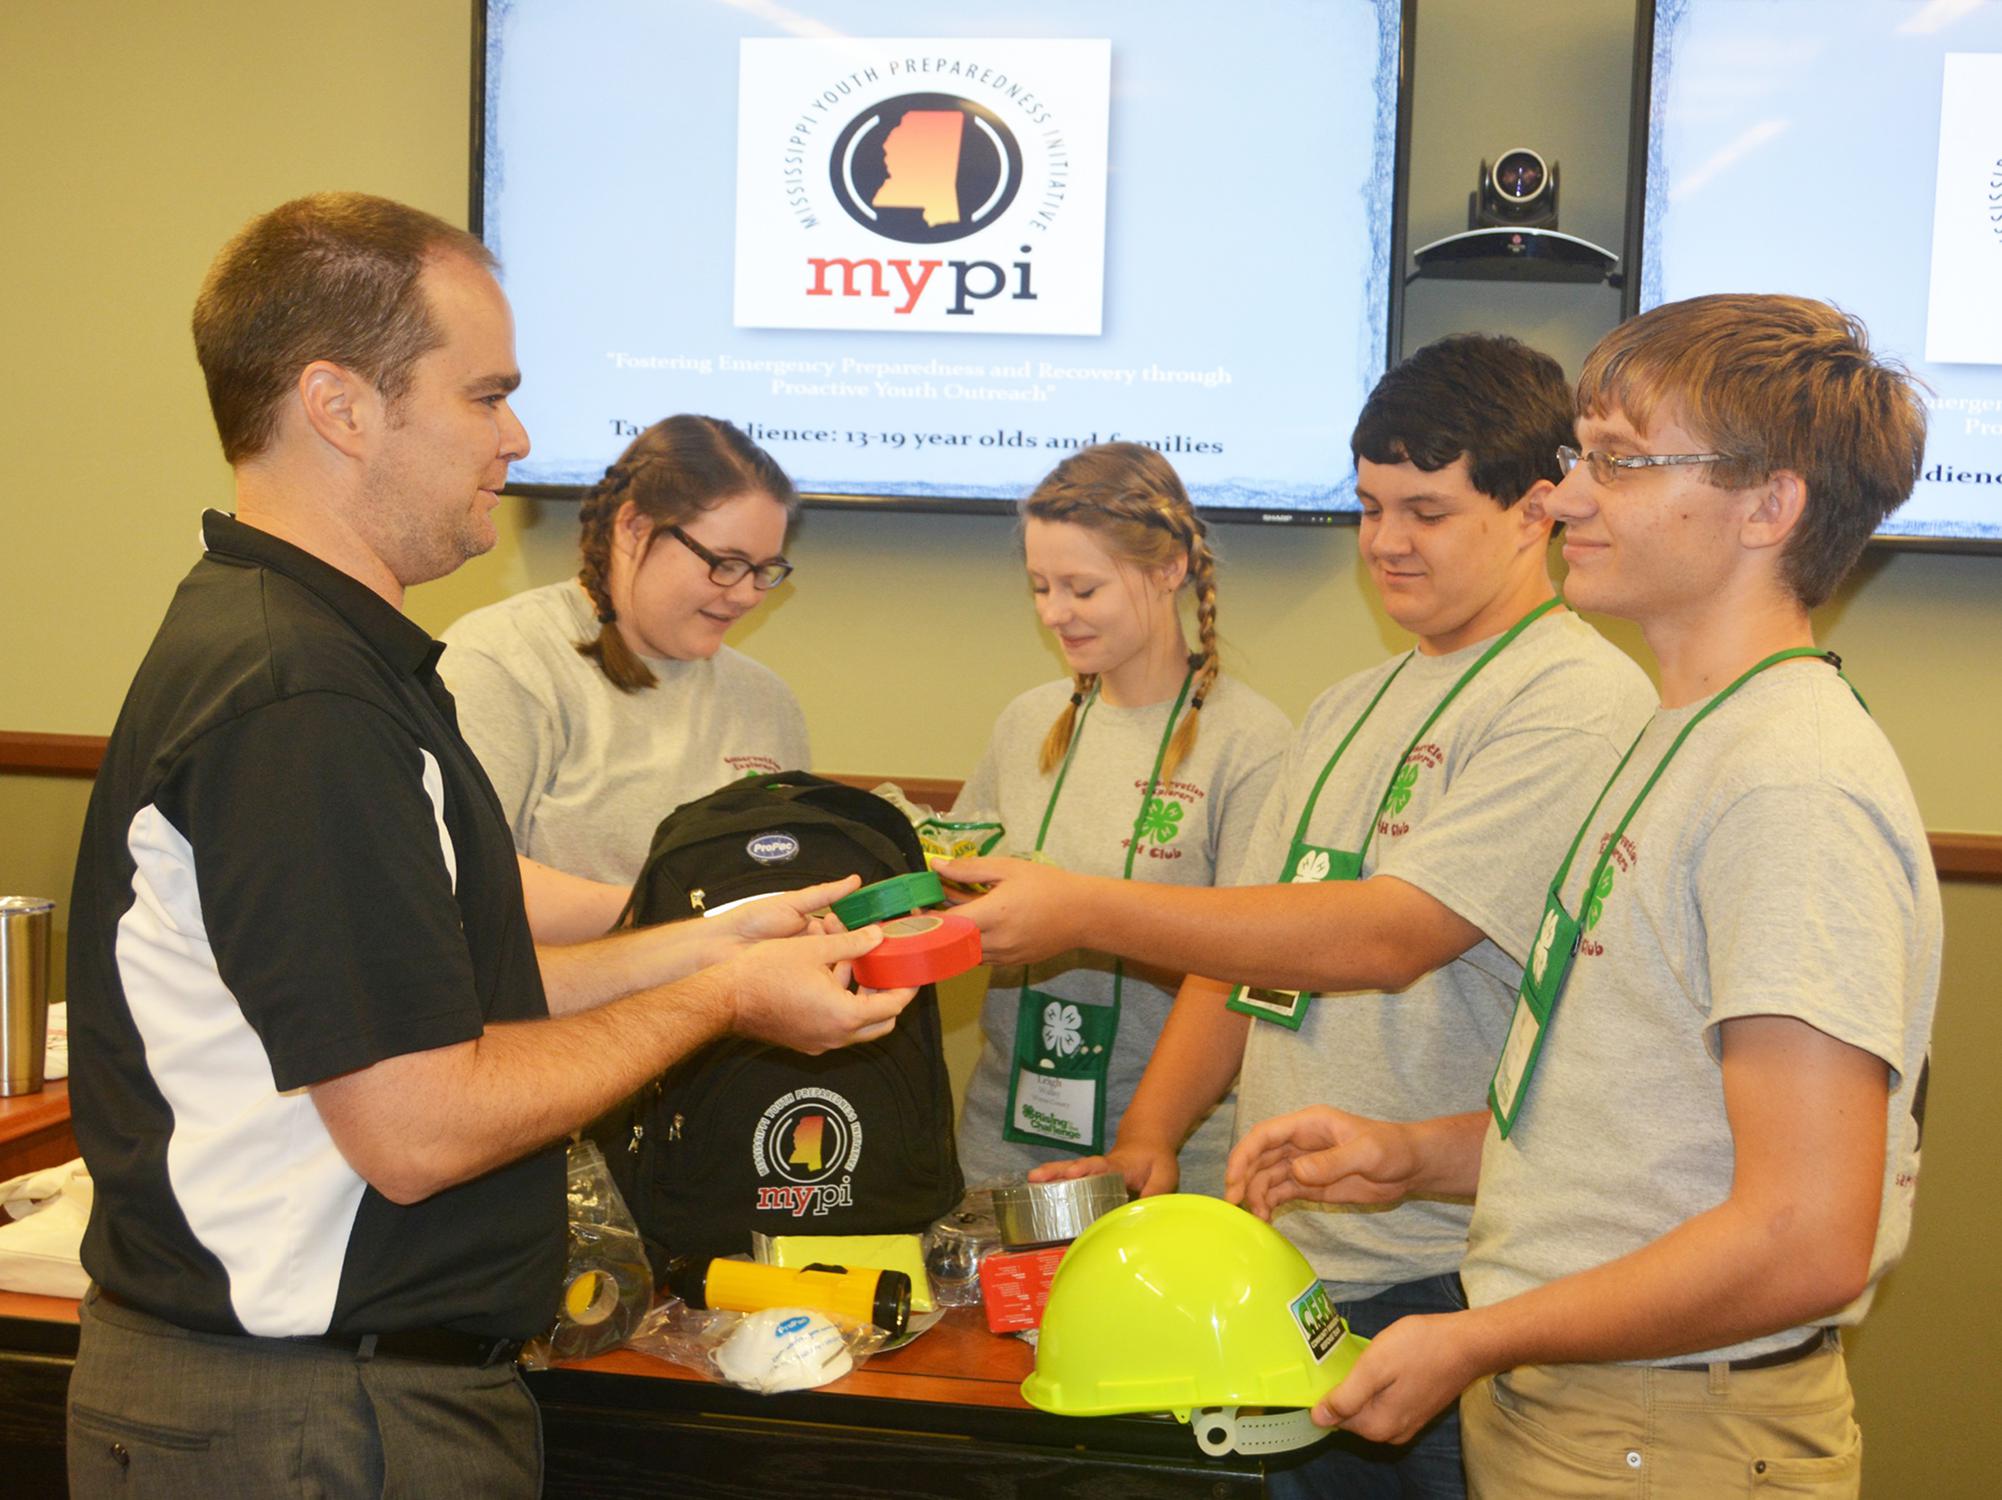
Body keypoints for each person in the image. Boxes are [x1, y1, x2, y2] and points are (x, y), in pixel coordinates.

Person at [62, 192, 912, 1499]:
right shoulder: (303, 701)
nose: (516, 437)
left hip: (342, 1401)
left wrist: (708, 939)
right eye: (484, 395)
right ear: (340, 406)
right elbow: (417, 1121)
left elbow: (443, 998)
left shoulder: (333, 659)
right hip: (303, 1425)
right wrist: (719, 999)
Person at [1228, 296, 1941, 1500]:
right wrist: (1408, 1155)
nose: (1563, 499)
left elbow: (1803, 1234)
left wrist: (1477, 1334)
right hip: (1595, 1403)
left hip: (1665, 1431)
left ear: (1769, 506)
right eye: (1578, 461)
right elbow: (1647, 1143)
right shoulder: (1686, 736)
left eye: (1618, 462)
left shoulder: (1787, 783)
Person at [948, 336, 1658, 1497]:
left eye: (1425, 510)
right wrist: (1153, 1138)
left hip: (1448, 1270)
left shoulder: (1575, 694)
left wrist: (1085, 906)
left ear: (1536, 510)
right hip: (1295, 1268)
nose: (1384, 542)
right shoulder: (1348, 704)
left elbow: (1388, 937)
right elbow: (1245, 946)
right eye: (1371, 505)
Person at [949, 443, 1289, 1193]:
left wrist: (1086, 919)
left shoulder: (1251, 745)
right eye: (1039, 586)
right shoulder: (1026, 722)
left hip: (1171, 1157)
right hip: (1005, 1144)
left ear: (1169, 569)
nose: (1053, 613)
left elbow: (1251, 969)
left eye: (1081, 587)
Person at [440, 415, 809, 905]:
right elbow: (464, 875)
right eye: (727, 563)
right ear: (634, 527)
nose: (746, 595)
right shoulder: (504, 659)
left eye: (765, 570)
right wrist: (679, 921)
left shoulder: (766, 700)